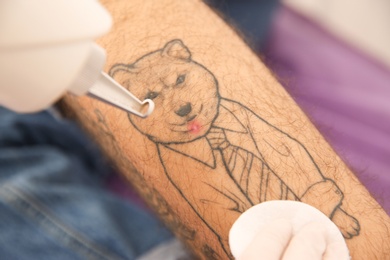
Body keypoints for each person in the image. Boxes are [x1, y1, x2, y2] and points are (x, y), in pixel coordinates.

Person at [59, 0, 390, 259]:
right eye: (153, 95)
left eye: (180, 80)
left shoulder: (238, 115)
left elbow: (286, 148)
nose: (180, 104)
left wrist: (327, 200)